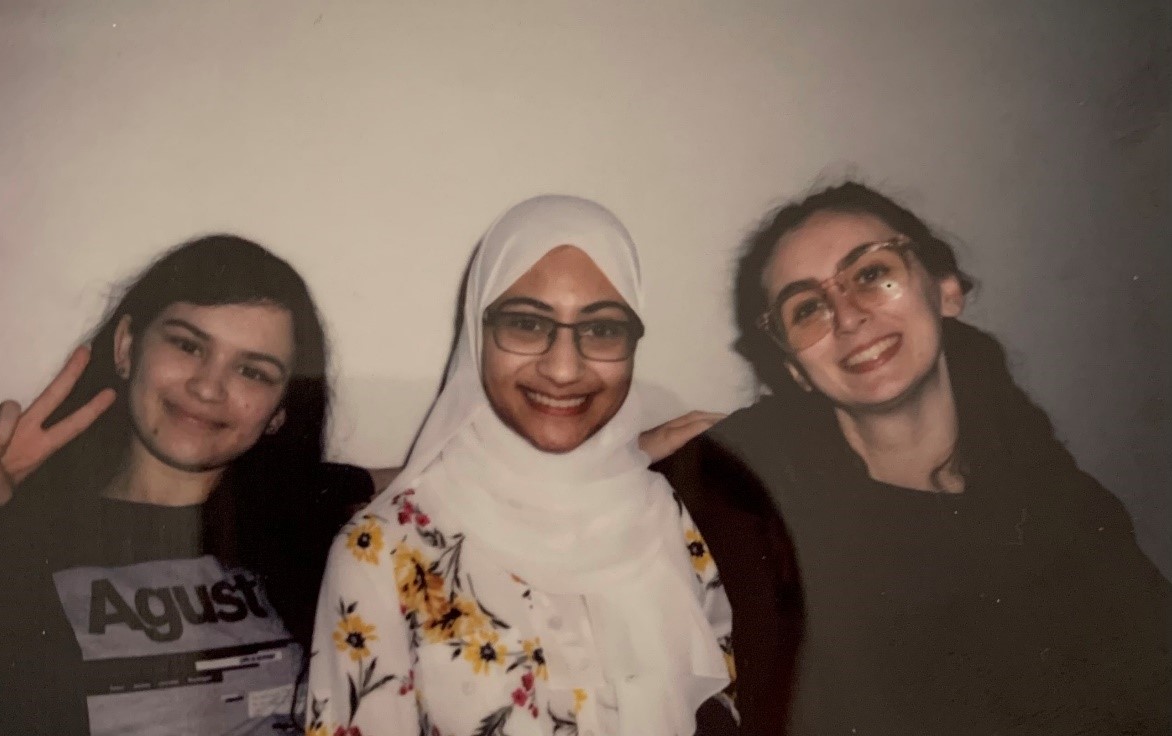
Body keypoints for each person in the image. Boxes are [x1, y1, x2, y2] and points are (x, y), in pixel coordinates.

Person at [687, 180, 1169, 734]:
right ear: (796, 370)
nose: (847, 317)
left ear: (945, 289)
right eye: (807, 309)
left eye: (871, 274)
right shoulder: (746, 500)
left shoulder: (1068, 508)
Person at [306, 195, 736, 736]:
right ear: (476, 334)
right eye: (526, 324)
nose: (562, 368)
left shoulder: (662, 517)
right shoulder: (383, 553)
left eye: (602, 329)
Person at [0, 235, 375, 735]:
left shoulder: (312, 524)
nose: (208, 387)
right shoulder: (12, 539)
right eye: (188, 345)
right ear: (126, 346)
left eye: (252, 371)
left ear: (279, 411)